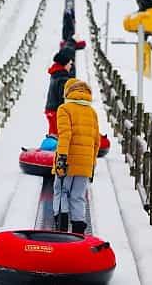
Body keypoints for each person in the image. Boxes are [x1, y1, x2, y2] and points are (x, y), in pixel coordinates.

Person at [52, 80, 100, 234]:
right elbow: (96, 142)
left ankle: (62, 228)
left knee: (61, 191)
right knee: (78, 196)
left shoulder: (64, 109)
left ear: (68, 92)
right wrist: (92, 164)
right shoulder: (92, 112)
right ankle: (79, 232)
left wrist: (62, 159)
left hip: (69, 160)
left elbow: (65, 135)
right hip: (85, 163)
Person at [44, 47, 76, 136]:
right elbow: (63, 98)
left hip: (51, 109)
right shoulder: (63, 78)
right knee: (59, 135)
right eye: (70, 63)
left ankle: (50, 148)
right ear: (65, 64)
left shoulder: (56, 74)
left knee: (53, 134)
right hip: (57, 111)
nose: (71, 66)